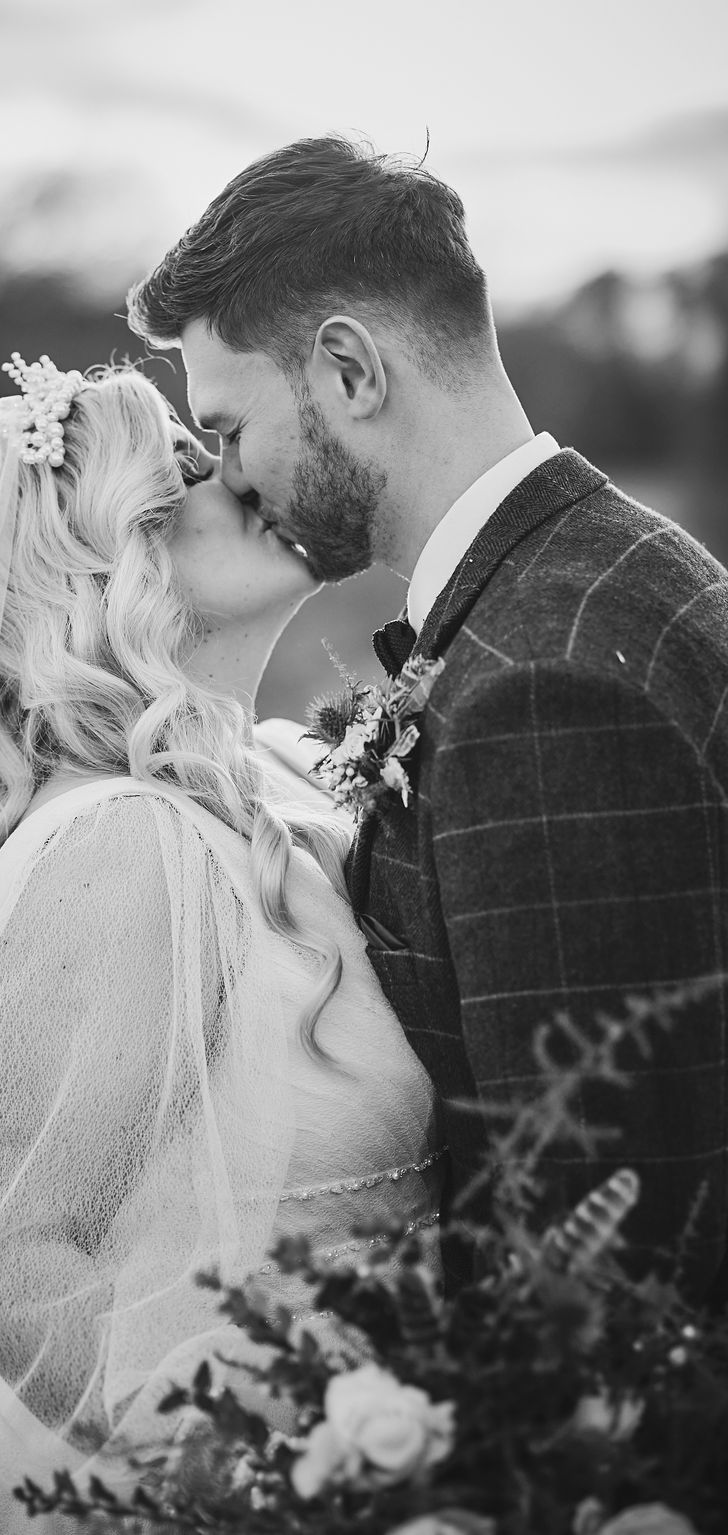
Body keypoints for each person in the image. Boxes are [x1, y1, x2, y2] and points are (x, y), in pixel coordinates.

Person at [0, 356, 443, 1535]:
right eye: (183, 476)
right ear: (117, 553)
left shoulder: (269, 793)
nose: (240, 475)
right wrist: (284, 1475)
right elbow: (10, 1268)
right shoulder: (122, 845)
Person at [127, 134, 728, 1304]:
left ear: (349, 370)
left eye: (231, 429)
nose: (227, 480)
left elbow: (611, 1239)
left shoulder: (543, 690)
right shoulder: (592, 580)